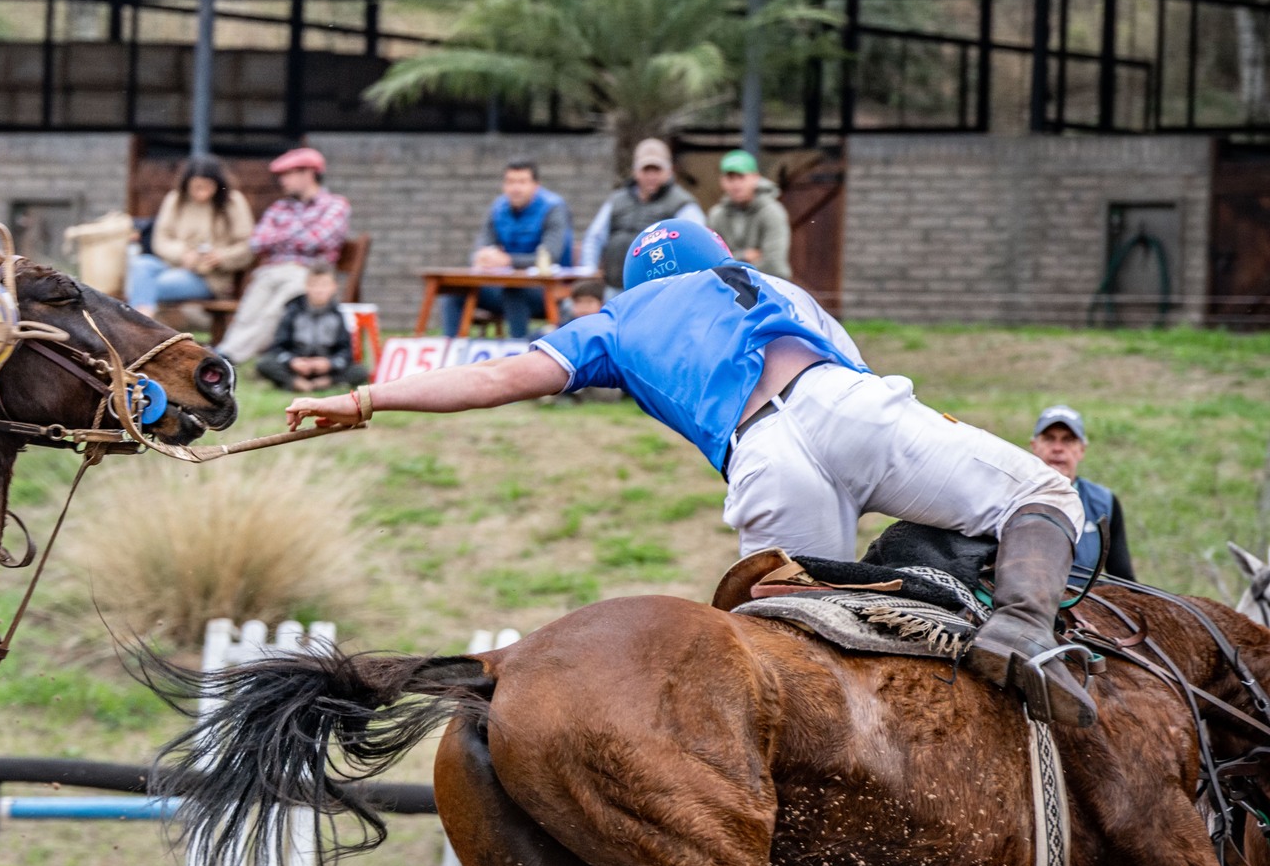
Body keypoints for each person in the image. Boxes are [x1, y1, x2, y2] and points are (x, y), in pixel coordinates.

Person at [286, 218, 1093, 727]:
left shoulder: (616, 317)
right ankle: (1022, 630)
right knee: (1043, 491)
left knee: (799, 662)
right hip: (842, 400)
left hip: (763, 461)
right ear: (723, 258)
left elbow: (497, 378)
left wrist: (366, 397)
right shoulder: (772, 282)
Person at [216, 147, 351, 362]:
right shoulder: (280, 206)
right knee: (247, 313)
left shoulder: (335, 204)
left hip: (308, 274)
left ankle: (227, 357)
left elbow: (318, 239)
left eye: (288, 174)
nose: (282, 181)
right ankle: (224, 352)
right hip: (270, 271)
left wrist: (279, 235)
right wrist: (300, 230)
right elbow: (257, 241)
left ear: (308, 173)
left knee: (273, 311)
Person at [439, 159, 573, 340]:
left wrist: (508, 260)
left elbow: (550, 256)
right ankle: (450, 351)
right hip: (503, 288)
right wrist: (483, 257)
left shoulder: (553, 207)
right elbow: (480, 250)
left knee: (514, 290)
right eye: (510, 182)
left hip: (547, 291)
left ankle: (518, 350)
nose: (515, 188)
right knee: (453, 292)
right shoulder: (498, 207)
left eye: (522, 182)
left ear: (536, 185)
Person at [126, 156, 256, 315]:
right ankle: (143, 321)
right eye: (196, 187)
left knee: (147, 286)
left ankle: (140, 325)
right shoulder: (175, 199)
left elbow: (248, 245)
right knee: (141, 264)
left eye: (207, 187)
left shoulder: (233, 202)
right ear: (187, 185)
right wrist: (183, 254)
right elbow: (160, 240)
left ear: (217, 184)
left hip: (209, 277)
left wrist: (221, 257)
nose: (201, 193)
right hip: (171, 265)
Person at [579, 138, 704, 294]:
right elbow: (595, 237)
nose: (651, 176)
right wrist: (590, 272)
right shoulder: (617, 200)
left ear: (670, 170)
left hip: (659, 291)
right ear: (635, 171)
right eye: (646, 170)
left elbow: (696, 241)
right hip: (613, 287)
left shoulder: (682, 203)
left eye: (657, 170)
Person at [1030, 404, 1135, 582]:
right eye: (1049, 439)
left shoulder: (1104, 503)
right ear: (1034, 446)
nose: (1057, 448)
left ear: (1082, 450)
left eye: (1068, 440)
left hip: (1084, 606)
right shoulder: (1008, 498)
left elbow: (1123, 578)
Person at [256, 263, 371, 393]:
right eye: (314, 285)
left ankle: (326, 382)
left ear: (334, 287)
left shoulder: (337, 314)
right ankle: (294, 382)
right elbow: (278, 346)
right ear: (306, 286)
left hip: (326, 368)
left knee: (360, 371)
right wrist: (293, 361)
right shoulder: (293, 311)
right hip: (297, 365)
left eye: (324, 285)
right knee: (265, 363)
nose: (319, 290)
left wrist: (329, 363)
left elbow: (346, 351)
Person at [709, 149, 792, 280]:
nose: (736, 184)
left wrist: (730, 264)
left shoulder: (772, 212)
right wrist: (744, 256)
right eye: (730, 178)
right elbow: (711, 261)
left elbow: (774, 265)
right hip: (727, 289)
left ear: (755, 178)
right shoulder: (717, 215)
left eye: (741, 177)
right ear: (722, 181)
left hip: (769, 288)